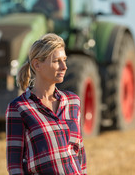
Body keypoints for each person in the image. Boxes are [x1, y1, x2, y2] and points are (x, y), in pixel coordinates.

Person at [6, 33, 87, 175]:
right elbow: (15, 166)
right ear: (37, 64)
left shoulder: (73, 102)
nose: (64, 67)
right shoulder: (19, 108)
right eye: (57, 61)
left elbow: (80, 154)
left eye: (64, 60)